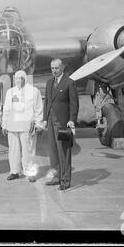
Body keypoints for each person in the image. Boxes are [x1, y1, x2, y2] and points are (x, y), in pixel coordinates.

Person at [43, 59, 79, 190]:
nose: (54, 70)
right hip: (51, 122)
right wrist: (45, 118)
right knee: (53, 152)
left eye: (56, 68)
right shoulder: (49, 83)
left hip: (63, 123)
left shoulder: (69, 83)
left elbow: (74, 104)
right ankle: (57, 176)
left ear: (62, 68)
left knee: (64, 152)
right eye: (52, 68)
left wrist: (72, 120)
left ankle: (65, 180)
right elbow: (47, 102)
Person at [2, 70, 43, 183]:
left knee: (28, 151)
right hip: (12, 126)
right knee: (13, 150)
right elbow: (6, 109)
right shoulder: (10, 92)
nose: (18, 80)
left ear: (25, 79)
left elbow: (39, 109)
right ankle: (14, 171)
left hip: (27, 127)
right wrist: (4, 124)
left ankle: (30, 173)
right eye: (16, 78)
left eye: (20, 78)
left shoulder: (34, 91)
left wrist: (39, 124)